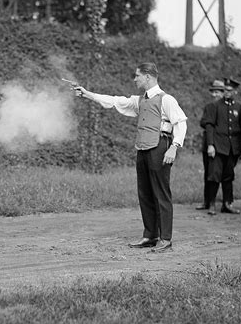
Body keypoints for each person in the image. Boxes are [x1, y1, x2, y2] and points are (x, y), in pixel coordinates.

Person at [74, 62, 187, 252]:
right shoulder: (140, 100)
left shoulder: (166, 99)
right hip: (142, 148)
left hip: (160, 147)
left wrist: (174, 147)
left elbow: (181, 124)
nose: (135, 79)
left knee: (161, 193)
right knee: (145, 193)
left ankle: (165, 238)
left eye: (137, 76)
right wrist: (88, 94)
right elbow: (115, 101)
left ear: (148, 77)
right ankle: (150, 235)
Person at [201, 78, 241, 215]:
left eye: (230, 90)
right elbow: (209, 126)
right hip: (218, 147)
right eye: (225, 90)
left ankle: (227, 204)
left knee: (228, 176)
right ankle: (212, 204)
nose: (227, 92)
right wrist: (210, 145)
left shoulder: (238, 107)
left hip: (232, 148)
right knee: (214, 175)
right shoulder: (215, 106)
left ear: (235, 92)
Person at [195, 80, 225, 210]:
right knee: (208, 172)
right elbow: (203, 122)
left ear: (223, 93)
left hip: (222, 144)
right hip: (209, 143)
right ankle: (207, 201)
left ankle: (219, 202)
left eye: (217, 92)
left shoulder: (227, 108)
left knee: (218, 174)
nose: (214, 94)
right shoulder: (209, 107)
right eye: (213, 92)